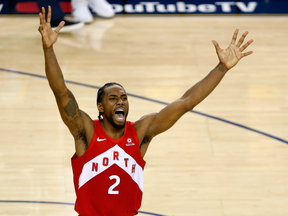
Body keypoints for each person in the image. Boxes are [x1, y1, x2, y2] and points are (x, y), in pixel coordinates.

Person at [38, 6, 253, 216]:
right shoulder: (86, 132)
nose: (120, 102)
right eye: (112, 99)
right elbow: (61, 92)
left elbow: (186, 102)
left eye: (123, 98)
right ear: (100, 108)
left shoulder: (140, 132)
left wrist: (221, 68)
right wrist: (48, 49)